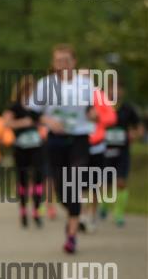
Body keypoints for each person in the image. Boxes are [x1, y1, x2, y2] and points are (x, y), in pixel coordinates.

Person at [28, 44, 97, 254]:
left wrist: (93, 114)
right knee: (61, 190)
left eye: (67, 60)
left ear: (74, 62)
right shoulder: (45, 84)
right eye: (59, 61)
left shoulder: (85, 84)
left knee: (75, 180)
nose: (63, 64)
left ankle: (72, 235)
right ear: (53, 63)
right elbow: (32, 112)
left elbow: (92, 108)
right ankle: (73, 214)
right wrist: (47, 120)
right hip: (55, 140)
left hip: (79, 138)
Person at [3, 75, 46, 228]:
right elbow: (6, 123)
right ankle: (23, 211)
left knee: (38, 177)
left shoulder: (38, 107)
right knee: (22, 179)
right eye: (28, 90)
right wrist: (22, 123)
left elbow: (46, 120)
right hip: (21, 147)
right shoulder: (14, 106)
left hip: (37, 146)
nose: (30, 93)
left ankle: (36, 210)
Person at [101, 81, 144, 226]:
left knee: (121, 182)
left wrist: (134, 135)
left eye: (118, 89)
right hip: (105, 151)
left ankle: (119, 213)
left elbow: (139, 128)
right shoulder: (101, 108)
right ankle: (103, 205)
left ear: (122, 91)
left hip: (122, 152)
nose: (114, 92)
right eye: (111, 89)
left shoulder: (128, 109)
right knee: (104, 183)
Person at [82, 89, 116, 232]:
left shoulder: (99, 96)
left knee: (95, 184)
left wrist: (98, 117)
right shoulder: (73, 94)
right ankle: (81, 215)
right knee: (80, 183)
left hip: (97, 147)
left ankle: (92, 215)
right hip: (79, 145)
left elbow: (112, 117)